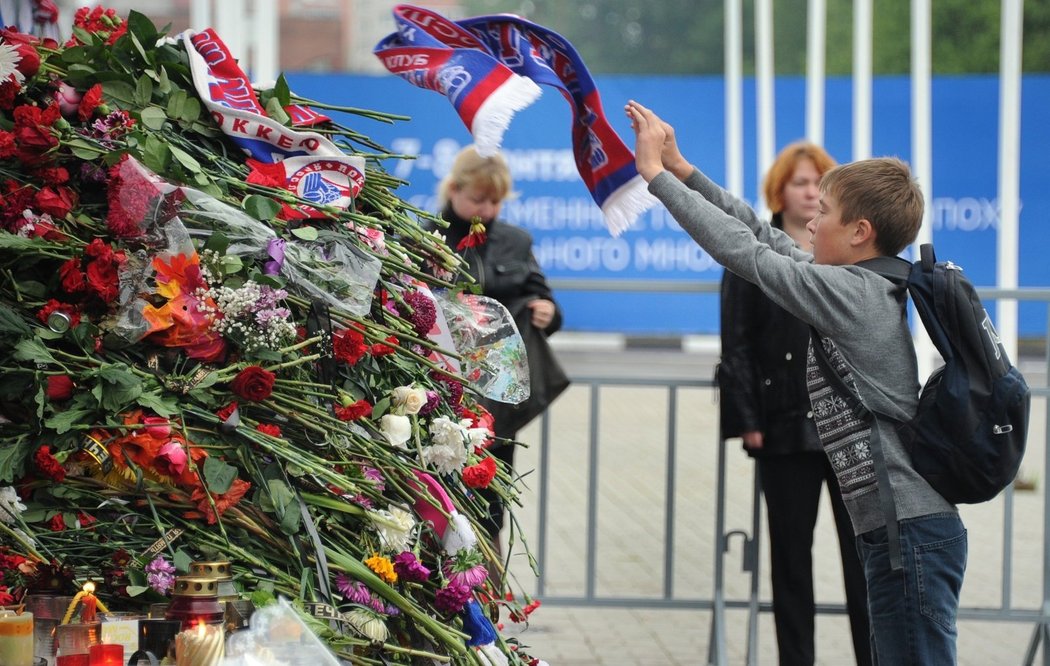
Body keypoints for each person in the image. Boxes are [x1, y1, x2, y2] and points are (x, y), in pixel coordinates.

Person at [625, 100, 965, 665]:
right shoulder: (855, 279)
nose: (809, 219)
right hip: (903, 531)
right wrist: (683, 168)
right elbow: (757, 230)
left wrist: (655, 178)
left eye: (823, 210)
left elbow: (743, 252)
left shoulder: (850, 294)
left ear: (859, 232)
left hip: (909, 535)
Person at [718, 141, 872, 666]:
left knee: (865, 561)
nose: (811, 192)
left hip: (849, 429)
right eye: (802, 182)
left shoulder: (846, 250)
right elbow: (735, 343)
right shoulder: (752, 255)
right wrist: (748, 419)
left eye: (820, 184)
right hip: (782, 428)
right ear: (779, 190)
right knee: (789, 563)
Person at [432, 145, 568, 554]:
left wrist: (549, 313)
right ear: (453, 189)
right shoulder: (426, 235)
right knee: (440, 493)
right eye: (478, 199)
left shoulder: (516, 241)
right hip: (441, 389)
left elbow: (546, 301)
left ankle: (487, 587)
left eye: (495, 201)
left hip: (500, 395)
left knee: (491, 497)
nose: (487, 210)